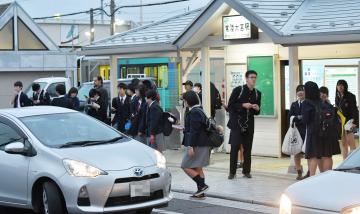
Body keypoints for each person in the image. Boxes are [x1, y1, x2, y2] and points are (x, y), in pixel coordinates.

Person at [227, 70, 261, 179]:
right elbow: (230, 106)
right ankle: (232, 172)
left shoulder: (257, 93)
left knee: (248, 148)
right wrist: (242, 105)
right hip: (237, 124)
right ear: (246, 79)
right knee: (235, 148)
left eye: (255, 77)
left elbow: (257, 112)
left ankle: (246, 171)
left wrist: (257, 108)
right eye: (251, 77)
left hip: (249, 124)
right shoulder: (238, 90)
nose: (254, 79)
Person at [181, 91, 211, 199]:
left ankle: (202, 186)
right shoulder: (199, 110)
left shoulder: (194, 112)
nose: (183, 102)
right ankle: (200, 192)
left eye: (184, 100)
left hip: (197, 144)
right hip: (202, 143)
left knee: (185, 165)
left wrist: (190, 146)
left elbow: (194, 131)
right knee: (198, 167)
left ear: (188, 100)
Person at [319, 86, 341, 172]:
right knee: (324, 156)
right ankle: (324, 175)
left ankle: (324, 175)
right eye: (322, 92)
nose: (323, 94)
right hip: (325, 134)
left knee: (326, 156)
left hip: (327, 134)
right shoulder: (326, 105)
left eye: (325, 93)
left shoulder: (329, 106)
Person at [335, 80, 359, 159]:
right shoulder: (337, 96)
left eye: (342, 85)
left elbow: (355, 110)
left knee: (351, 142)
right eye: (338, 85)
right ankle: (344, 162)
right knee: (343, 143)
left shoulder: (351, 96)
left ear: (345, 86)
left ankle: (354, 162)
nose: (340, 87)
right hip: (341, 123)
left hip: (350, 122)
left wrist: (355, 122)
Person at [289, 85, 306, 180]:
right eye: (298, 91)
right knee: (296, 152)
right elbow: (290, 117)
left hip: (306, 131)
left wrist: (297, 118)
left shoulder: (308, 103)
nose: (300, 92)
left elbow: (307, 117)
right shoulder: (294, 104)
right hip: (296, 131)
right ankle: (299, 172)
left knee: (308, 152)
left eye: (302, 90)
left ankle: (309, 172)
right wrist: (298, 118)